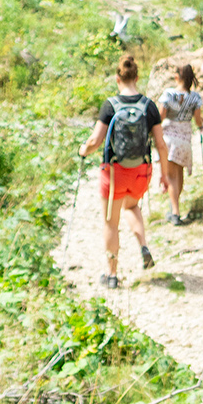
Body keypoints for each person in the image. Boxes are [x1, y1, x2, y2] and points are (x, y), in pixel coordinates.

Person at [79, 54, 168, 288]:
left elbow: (95, 141)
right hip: (141, 172)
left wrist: (83, 151)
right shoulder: (149, 106)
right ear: (137, 78)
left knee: (111, 222)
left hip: (114, 173)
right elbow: (161, 144)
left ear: (118, 79)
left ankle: (112, 275)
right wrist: (165, 175)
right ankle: (143, 246)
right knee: (132, 205)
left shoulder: (110, 105)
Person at [158, 64, 203, 224]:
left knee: (171, 176)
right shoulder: (195, 97)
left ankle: (175, 212)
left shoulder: (168, 94)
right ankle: (174, 207)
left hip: (169, 137)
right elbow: (198, 119)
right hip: (185, 138)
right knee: (179, 174)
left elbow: (161, 116)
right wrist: (201, 126)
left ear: (177, 77)